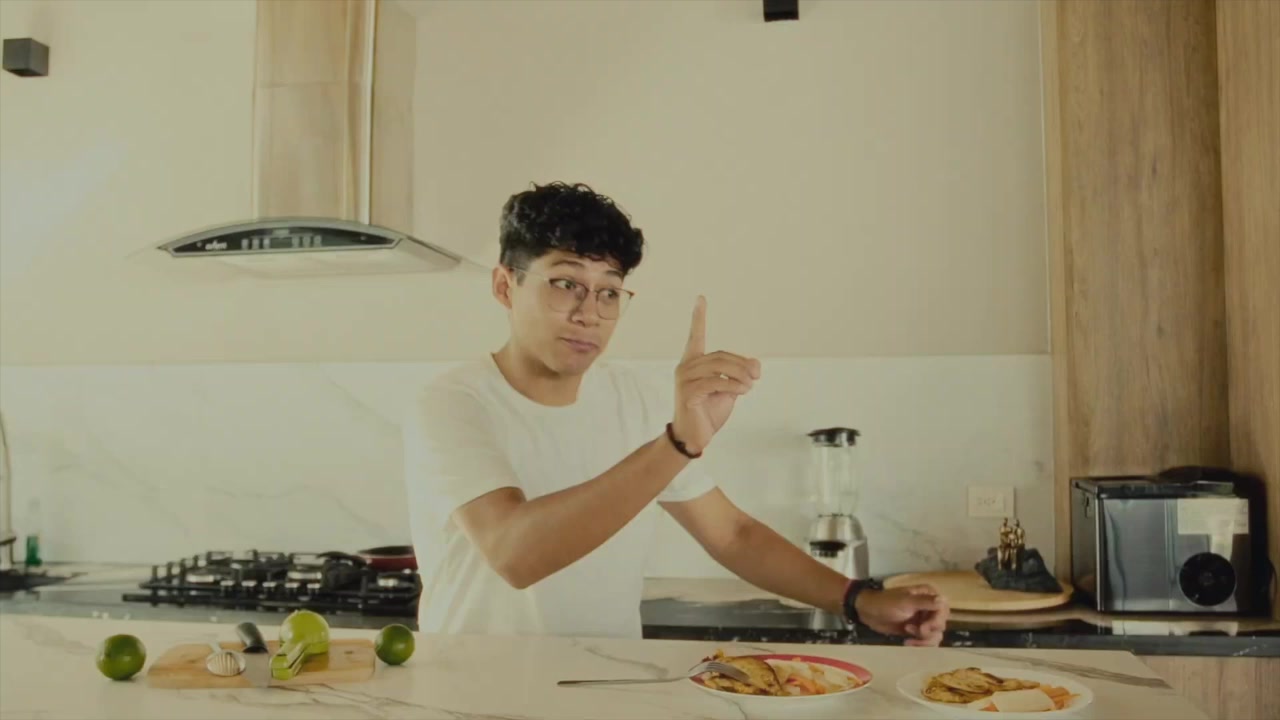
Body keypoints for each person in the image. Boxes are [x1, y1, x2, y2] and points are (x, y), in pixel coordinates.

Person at [404, 182, 949, 643]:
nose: (589, 314)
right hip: (476, 696)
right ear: (505, 286)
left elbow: (733, 534)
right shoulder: (454, 402)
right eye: (566, 284)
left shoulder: (634, 399)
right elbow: (514, 553)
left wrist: (858, 599)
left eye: (609, 293)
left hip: (601, 689)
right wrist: (676, 446)